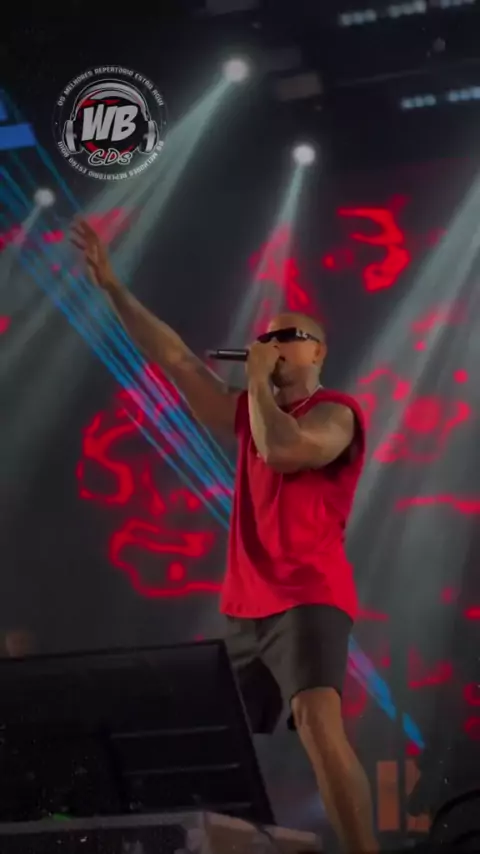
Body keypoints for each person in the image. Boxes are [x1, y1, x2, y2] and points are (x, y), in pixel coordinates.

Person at [71, 218, 378, 853]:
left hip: (308, 593)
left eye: (288, 337)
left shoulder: (336, 412)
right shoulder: (248, 411)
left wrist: (259, 383)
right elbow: (176, 359)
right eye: (265, 337)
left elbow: (284, 450)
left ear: (318, 353)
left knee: (317, 722)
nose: (271, 344)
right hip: (245, 603)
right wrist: (113, 288)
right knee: (199, 740)